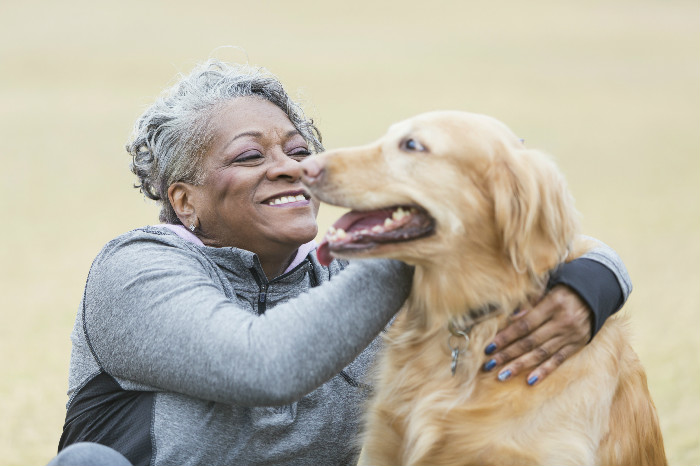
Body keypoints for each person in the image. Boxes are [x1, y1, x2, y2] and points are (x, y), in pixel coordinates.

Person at [51, 60, 632, 466]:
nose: (294, 168)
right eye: (251, 155)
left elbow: (521, 226)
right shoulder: (137, 270)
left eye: (300, 150)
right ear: (184, 201)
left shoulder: (350, 268)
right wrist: (417, 235)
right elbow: (263, 366)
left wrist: (596, 280)